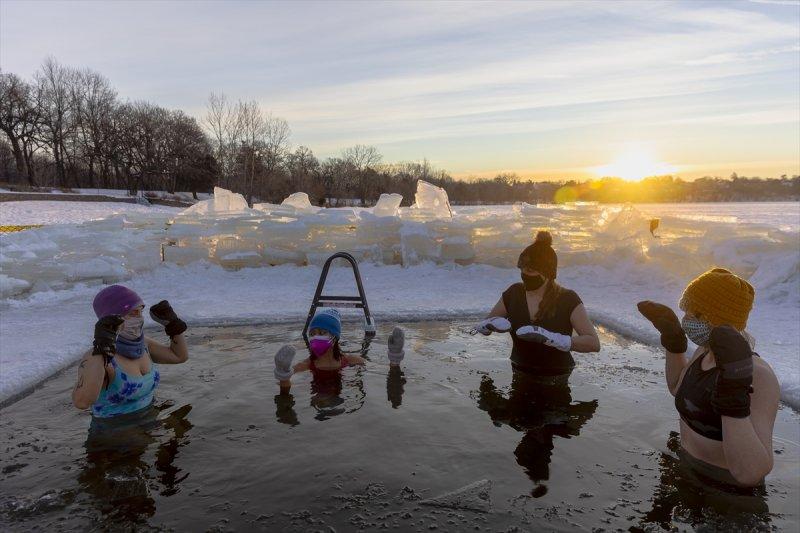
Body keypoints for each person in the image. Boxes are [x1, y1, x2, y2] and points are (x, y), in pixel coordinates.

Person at [637, 267, 780, 487]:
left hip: (726, 492)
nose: (686, 320)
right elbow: (678, 389)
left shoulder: (758, 375)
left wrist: (733, 392)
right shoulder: (703, 352)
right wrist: (674, 343)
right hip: (686, 469)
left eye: (695, 314)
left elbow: (751, 473)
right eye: (686, 311)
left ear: (719, 320)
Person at [476, 230, 600, 374]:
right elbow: (484, 328)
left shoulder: (567, 299)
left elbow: (593, 343)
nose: (525, 274)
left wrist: (552, 339)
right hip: (519, 370)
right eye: (522, 269)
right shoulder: (514, 293)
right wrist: (489, 325)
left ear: (547, 273)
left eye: (530, 270)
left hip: (557, 375)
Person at [72, 285, 189, 418]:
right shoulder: (96, 357)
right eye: (132, 313)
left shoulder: (143, 345)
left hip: (151, 420)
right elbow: (81, 402)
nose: (139, 318)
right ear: (111, 317)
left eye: (140, 312)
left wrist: (174, 326)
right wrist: (102, 350)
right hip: (113, 429)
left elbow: (179, 356)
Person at [273, 308, 405, 392]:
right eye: (312, 333)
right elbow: (285, 386)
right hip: (316, 404)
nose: (316, 337)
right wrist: (283, 374)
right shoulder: (306, 364)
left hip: (340, 402)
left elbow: (383, 370)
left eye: (322, 332)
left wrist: (395, 358)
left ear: (335, 337)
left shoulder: (351, 360)